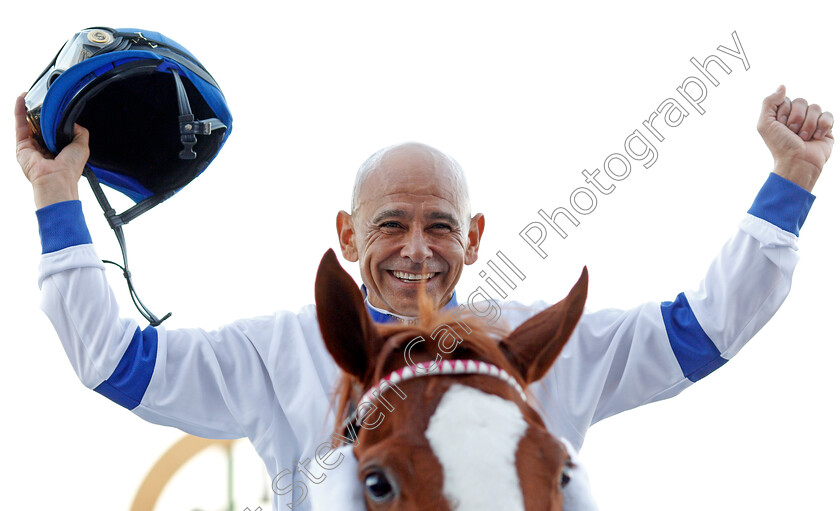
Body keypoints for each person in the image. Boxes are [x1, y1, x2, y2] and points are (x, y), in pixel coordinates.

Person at [14, 85, 833, 510]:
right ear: (346, 233)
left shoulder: (541, 344)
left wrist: (791, 181)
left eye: (439, 225)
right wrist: (56, 196)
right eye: (391, 224)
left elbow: (705, 330)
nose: (416, 248)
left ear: (474, 237)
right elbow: (112, 359)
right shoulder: (271, 351)